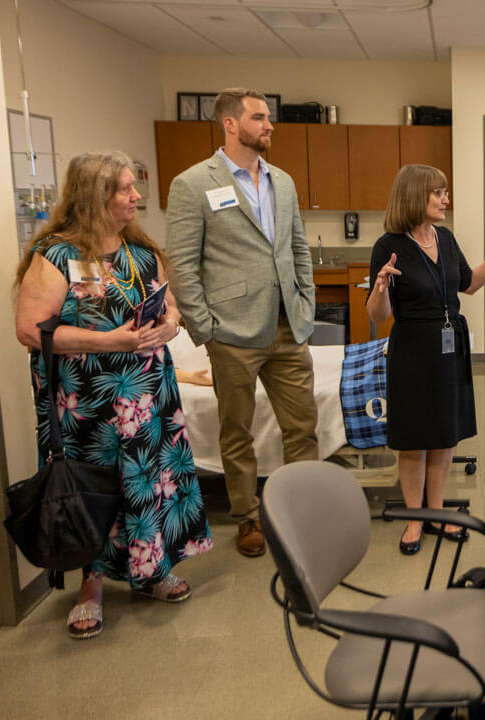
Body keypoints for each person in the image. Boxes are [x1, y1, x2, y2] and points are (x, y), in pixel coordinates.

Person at [14, 151, 213, 640]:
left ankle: (153, 571)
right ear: (95, 196)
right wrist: (108, 342)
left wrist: (167, 327)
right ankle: (92, 586)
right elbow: (28, 330)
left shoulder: (139, 252)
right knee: (94, 488)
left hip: (147, 396)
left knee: (151, 480)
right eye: (125, 189)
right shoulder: (56, 256)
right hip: (88, 404)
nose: (136, 197)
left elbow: (171, 311)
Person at [166, 87, 318, 558]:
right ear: (230, 124)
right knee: (237, 431)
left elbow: (297, 249)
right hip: (231, 332)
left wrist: (305, 303)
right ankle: (247, 516)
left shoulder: (284, 182)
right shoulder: (193, 184)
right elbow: (182, 265)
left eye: (269, 117)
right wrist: (204, 329)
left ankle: (303, 512)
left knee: (303, 427)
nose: (269, 125)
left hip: (287, 326)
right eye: (258, 117)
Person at [367, 164, 485, 555]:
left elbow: (468, 284)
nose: (446, 199)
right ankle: (414, 519)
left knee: (444, 436)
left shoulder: (444, 237)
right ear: (414, 197)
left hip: (448, 347)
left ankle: (439, 512)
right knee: (413, 441)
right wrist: (379, 288)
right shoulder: (388, 245)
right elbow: (378, 316)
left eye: (445, 192)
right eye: (438, 193)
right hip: (411, 349)